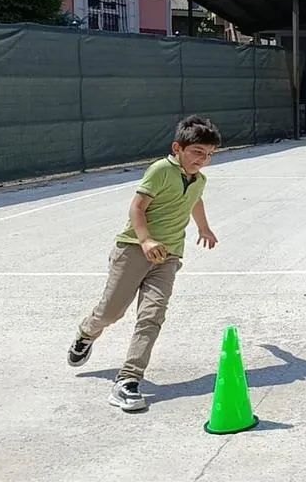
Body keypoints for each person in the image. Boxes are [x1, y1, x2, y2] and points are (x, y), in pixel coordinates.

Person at [66, 115, 223, 412]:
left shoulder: (199, 180)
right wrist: (146, 240)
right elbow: (137, 207)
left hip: (168, 256)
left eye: (209, 154)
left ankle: (128, 379)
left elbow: (195, 199)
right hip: (133, 250)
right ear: (177, 148)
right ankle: (87, 332)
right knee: (111, 312)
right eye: (197, 152)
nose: (203, 160)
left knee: (152, 316)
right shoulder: (161, 170)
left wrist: (204, 228)